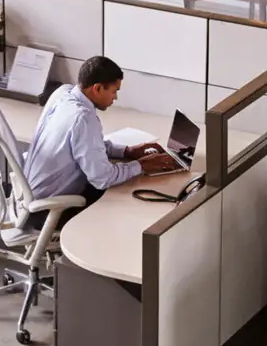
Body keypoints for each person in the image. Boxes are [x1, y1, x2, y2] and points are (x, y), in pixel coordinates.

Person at [22, 56, 181, 228]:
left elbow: (87, 144)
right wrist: (141, 166)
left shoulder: (64, 94)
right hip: (48, 210)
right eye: (114, 91)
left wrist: (127, 151)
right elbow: (102, 178)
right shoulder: (83, 118)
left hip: (30, 197)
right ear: (97, 88)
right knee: (126, 201)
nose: (116, 98)